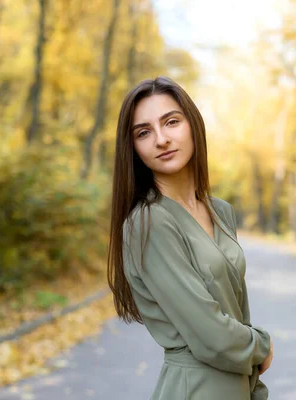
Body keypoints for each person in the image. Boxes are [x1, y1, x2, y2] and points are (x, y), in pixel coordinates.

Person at [107, 76, 273, 399]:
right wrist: (261, 346)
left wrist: (255, 388)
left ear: (193, 125)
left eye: (171, 122)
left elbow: (238, 314)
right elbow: (211, 334)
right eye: (144, 132)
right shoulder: (149, 222)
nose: (161, 139)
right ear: (134, 149)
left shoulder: (221, 212)